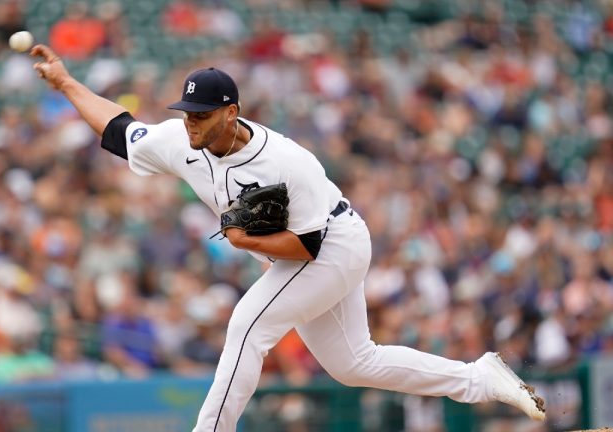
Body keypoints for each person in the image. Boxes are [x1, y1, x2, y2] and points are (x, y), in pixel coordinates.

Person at [29, 44, 546, 431]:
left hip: (333, 244)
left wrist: (244, 240)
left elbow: (309, 246)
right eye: (186, 113)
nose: (190, 124)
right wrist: (67, 82)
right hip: (305, 253)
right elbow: (119, 130)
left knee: (247, 325)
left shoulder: (289, 161)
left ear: (231, 112)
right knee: (353, 363)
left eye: (202, 115)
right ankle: (482, 379)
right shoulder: (180, 140)